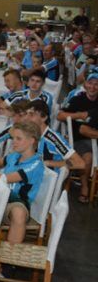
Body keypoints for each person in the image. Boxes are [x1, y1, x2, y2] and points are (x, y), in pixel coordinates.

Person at [57, 72, 98, 202]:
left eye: (97, 84)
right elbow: (60, 116)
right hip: (80, 140)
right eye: (90, 83)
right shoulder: (77, 99)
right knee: (88, 158)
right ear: (85, 84)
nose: (93, 87)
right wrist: (80, 115)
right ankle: (85, 186)